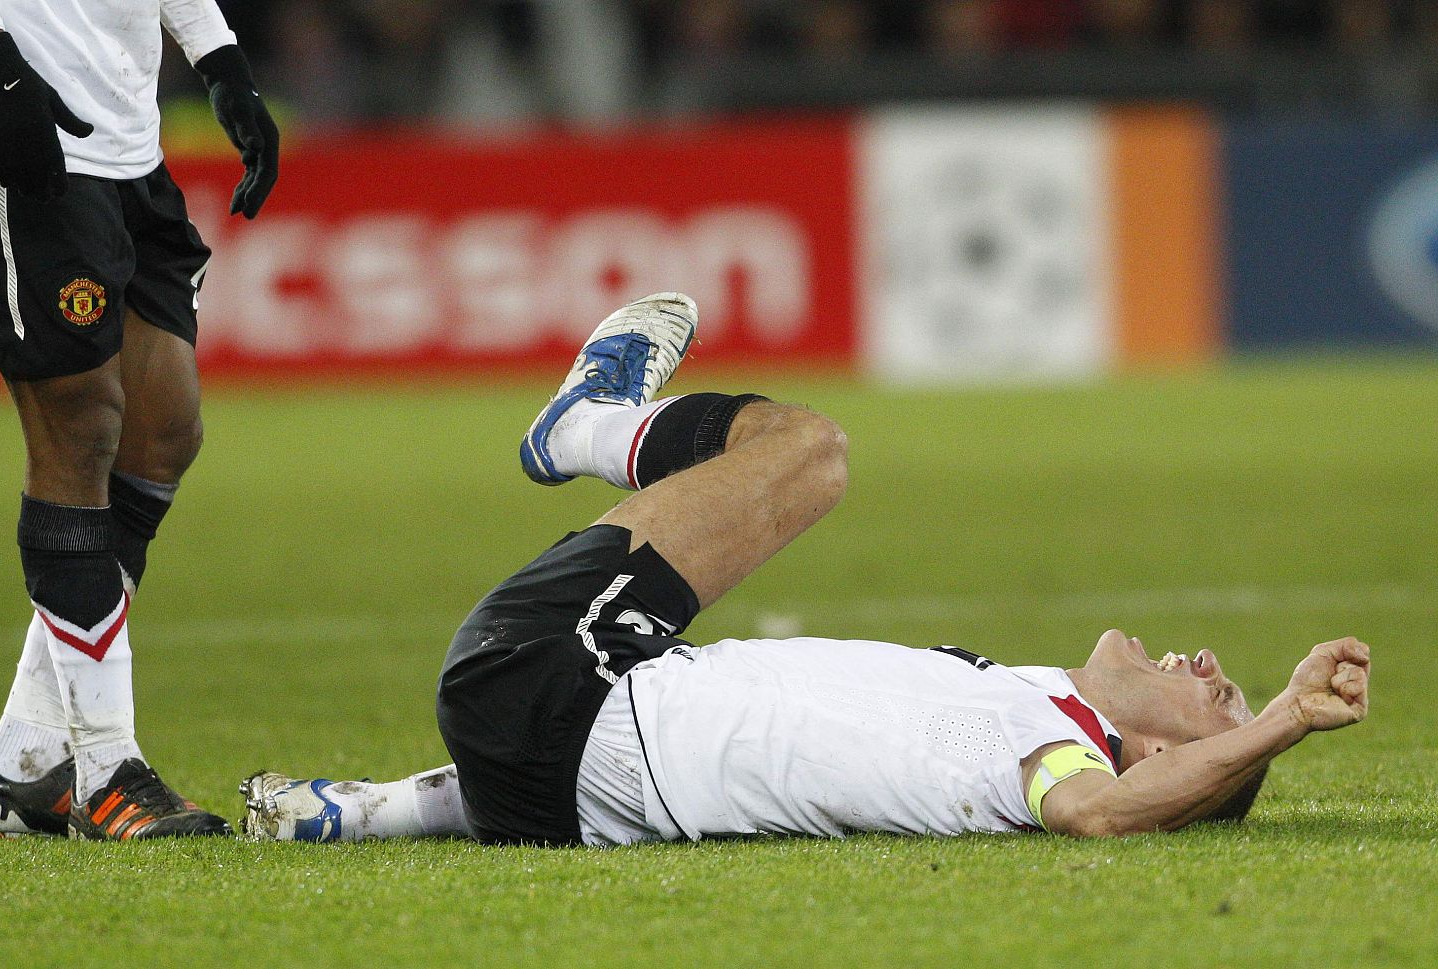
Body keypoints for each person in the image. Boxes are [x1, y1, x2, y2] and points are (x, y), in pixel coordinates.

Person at [241, 293, 1371, 846]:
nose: (1210, 661)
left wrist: (1270, 726)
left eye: (1212, 692)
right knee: (704, 683)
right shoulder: (1029, 701)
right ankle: (377, 811)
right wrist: (1245, 724)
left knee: (807, 455)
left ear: (1169, 749)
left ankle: (587, 427)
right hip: (545, 791)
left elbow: (1108, 816)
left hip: (551, 678)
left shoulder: (1051, 752)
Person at [0, 0, 280, 839]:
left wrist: (219, 58)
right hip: (15, 125)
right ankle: (106, 769)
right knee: (81, 429)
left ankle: (22, 761)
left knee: (165, 429)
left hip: (123, 135)